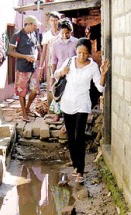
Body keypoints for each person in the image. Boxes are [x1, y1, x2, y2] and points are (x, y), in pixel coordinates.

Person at [54, 37, 110, 183]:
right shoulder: (69, 62)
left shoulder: (92, 67)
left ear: (89, 54)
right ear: (76, 51)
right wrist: (61, 72)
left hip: (82, 103)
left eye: (85, 53)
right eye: (79, 53)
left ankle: (80, 170)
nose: (81, 56)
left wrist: (103, 74)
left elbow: (99, 87)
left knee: (79, 135)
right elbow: (56, 75)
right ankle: (75, 166)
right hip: (67, 103)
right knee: (71, 137)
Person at [9, 15, 41, 122]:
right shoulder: (17, 35)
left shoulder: (34, 34)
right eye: (35, 25)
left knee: (35, 90)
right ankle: (24, 113)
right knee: (21, 92)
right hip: (22, 68)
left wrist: (35, 56)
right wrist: (25, 57)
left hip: (33, 67)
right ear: (29, 24)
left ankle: (27, 108)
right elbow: (10, 51)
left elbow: (36, 48)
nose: (36, 27)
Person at [49, 18, 78, 124]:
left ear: (71, 31)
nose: (65, 35)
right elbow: (54, 61)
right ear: (59, 32)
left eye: (67, 33)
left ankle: (71, 115)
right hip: (60, 72)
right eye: (63, 33)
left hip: (73, 71)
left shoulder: (76, 42)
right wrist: (53, 76)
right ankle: (57, 114)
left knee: (71, 93)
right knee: (59, 91)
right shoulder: (55, 44)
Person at [38, 11, 61, 110]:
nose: (54, 22)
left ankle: (63, 111)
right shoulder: (47, 35)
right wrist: (40, 66)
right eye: (52, 20)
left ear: (58, 21)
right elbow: (44, 52)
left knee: (62, 85)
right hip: (51, 64)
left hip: (61, 62)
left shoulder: (62, 33)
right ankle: (53, 111)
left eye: (56, 20)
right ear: (49, 22)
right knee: (51, 87)